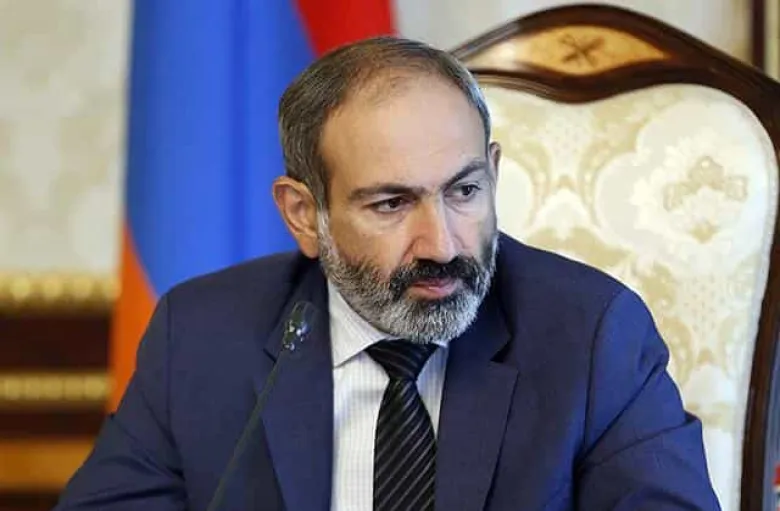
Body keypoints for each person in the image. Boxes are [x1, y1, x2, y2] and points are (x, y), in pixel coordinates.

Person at [54, 36, 720, 510]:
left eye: (464, 191)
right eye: (392, 204)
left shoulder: (592, 336)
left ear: (493, 172)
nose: (442, 245)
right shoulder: (203, 335)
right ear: (304, 214)